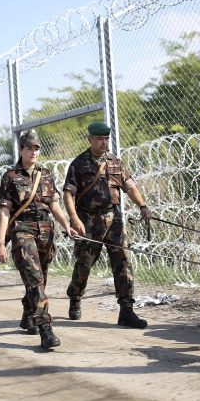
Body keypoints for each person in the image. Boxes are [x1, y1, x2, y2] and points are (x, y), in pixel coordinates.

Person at [63, 121, 152, 329]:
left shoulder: (115, 162)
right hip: (88, 220)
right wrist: (75, 219)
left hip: (114, 220)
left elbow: (130, 186)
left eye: (106, 139)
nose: (104, 143)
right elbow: (68, 194)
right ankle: (75, 296)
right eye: (99, 139)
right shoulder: (79, 164)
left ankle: (127, 310)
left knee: (123, 262)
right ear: (90, 140)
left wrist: (143, 206)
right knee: (84, 264)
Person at [0, 129, 77, 350]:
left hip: (46, 230)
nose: (33, 152)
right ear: (21, 149)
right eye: (29, 148)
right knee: (34, 279)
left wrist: (67, 225)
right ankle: (45, 329)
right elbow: (4, 212)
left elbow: (54, 205)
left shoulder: (46, 173)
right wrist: (1, 243)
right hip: (22, 230)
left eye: (36, 148)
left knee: (40, 279)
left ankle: (28, 311)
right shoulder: (10, 177)